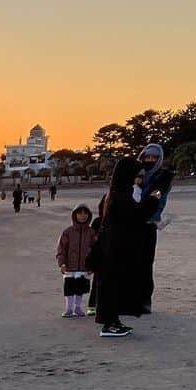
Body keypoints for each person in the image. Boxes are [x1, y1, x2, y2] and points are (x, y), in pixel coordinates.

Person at [93, 156, 161, 338]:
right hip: (115, 251)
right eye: (135, 174)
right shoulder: (120, 196)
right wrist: (154, 198)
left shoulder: (116, 194)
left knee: (113, 286)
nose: (137, 178)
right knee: (112, 286)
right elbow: (137, 215)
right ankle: (109, 325)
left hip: (113, 249)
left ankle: (113, 322)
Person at [137, 144, 173, 313]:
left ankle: (144, 302)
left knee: (145, 264)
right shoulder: (136, 173)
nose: (150, 160)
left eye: (154, 158)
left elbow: (157, 196)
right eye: (147, 157)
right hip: (132, 225)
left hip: (149, 224)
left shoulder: (163, 176)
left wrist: (148, 204)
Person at [56, 204, 97, 318]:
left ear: (88, 215)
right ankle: (68, 308)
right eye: (80, 213)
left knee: (80, 288)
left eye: (85, 213)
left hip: (84, 266)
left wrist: (92, 265)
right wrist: (62, 263)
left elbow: (95, 249)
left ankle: (78, 307)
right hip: (70, 266)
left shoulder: (91, 232)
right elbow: (61, 248)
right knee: (69, 287)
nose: (82, 216)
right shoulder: (68, 232)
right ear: (75, 215)